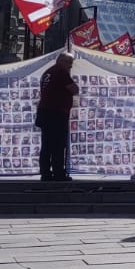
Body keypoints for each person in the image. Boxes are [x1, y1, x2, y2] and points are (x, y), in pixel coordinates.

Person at [35, 53, 79, 181]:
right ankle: (58, 173)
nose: (70, 67)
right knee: (58, 145)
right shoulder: (60, 72)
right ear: (61, 61)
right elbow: (74, 89)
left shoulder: (48, 72)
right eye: (69, 63)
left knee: (47, 145)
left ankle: (45, 173)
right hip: (56, 113)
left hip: (45, 112)